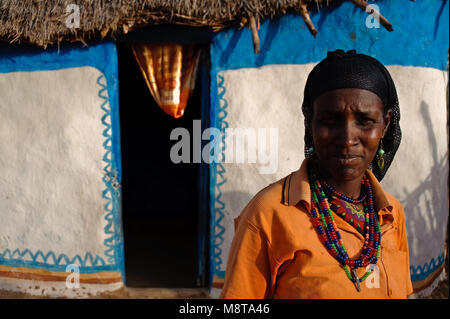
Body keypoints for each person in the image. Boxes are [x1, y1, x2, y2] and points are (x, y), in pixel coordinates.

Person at [219, 49, 413, 299]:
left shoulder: (391, 214)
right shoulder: (268, 215)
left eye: (365, 121)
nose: (347, 139)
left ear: (385, 124)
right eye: (330, 120)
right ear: (310, 122)